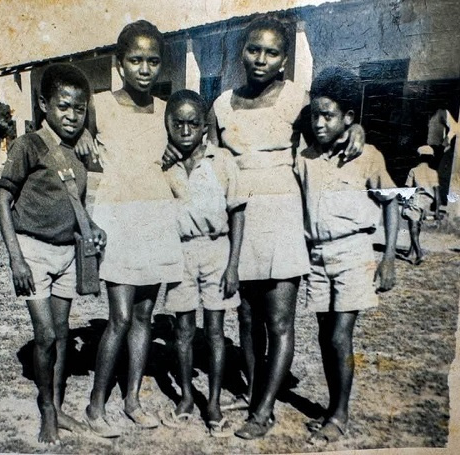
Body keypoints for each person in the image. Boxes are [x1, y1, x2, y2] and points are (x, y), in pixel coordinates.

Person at [163, 16, 365, 439]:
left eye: (272, 52)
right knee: (247, 319)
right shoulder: (219, 105)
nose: (261, 59)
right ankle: (255, 395)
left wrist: (359, 128)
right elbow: (205, 158)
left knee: (279, 322)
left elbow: (333, 127)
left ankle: (265, 411)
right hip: (238, 220)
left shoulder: (298, 99)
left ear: (284, 59)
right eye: (253, 49)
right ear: (242, 51)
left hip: (282, 216)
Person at [0, 63, 105, 445]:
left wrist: (92, 228)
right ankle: (46, 411)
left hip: (66, 255)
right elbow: (2, 200)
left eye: (79, 109)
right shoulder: (29, 145)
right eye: (63, 107)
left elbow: (74, 205)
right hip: (33, 253)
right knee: (43, 335)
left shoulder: (79, 151)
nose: (72, 116)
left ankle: (57, 408)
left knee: (60, 334)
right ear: (44, 105)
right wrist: (16, 259)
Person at [83, 20, 183, 437]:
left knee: (144, 315)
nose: (144, 69)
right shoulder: (98, 104)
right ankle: (94, 405)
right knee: (120, 318)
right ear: (118, 63)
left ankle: (133, 401)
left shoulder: (167, 111)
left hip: (157, 220)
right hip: (117, 222)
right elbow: (59, 130)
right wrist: (82, 138)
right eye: (135, 60)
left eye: (153, 61)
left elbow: (201, 144)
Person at [294, 66, 399, 447]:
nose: (319, 123)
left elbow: (392, 203)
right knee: (325, 336)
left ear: (349, 119)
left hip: (354, 252)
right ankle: (332, 407)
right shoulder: (304, 157)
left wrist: (388, 258)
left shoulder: (367, 156)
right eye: (315, 115)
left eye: (329, 116)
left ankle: (339, 416)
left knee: (340, 336)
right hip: (317, 257)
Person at [160, 90, 246, 437]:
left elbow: (237, 212)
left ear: (204, 126)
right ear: (167, 125)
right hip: (180, 252)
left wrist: (234, 265)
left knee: (214, 332)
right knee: (181, 331)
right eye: (177, 123)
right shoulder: (163, 164)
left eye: (192, 123)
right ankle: (185, 398)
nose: (185, 130)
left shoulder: (223, 160)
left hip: (217, 251)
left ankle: (212, 402)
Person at [402, 145, 441, 265]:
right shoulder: (433, 172)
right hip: (428, 201)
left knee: (412, 226)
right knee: (417, 225)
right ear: (431, 158)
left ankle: (419, 253)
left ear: (418, 157)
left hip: (417, 199)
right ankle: (410, 251)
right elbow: (437, 192)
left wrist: (405, 204)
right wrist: (437, 210)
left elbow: (407, 189)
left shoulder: (414, 170)